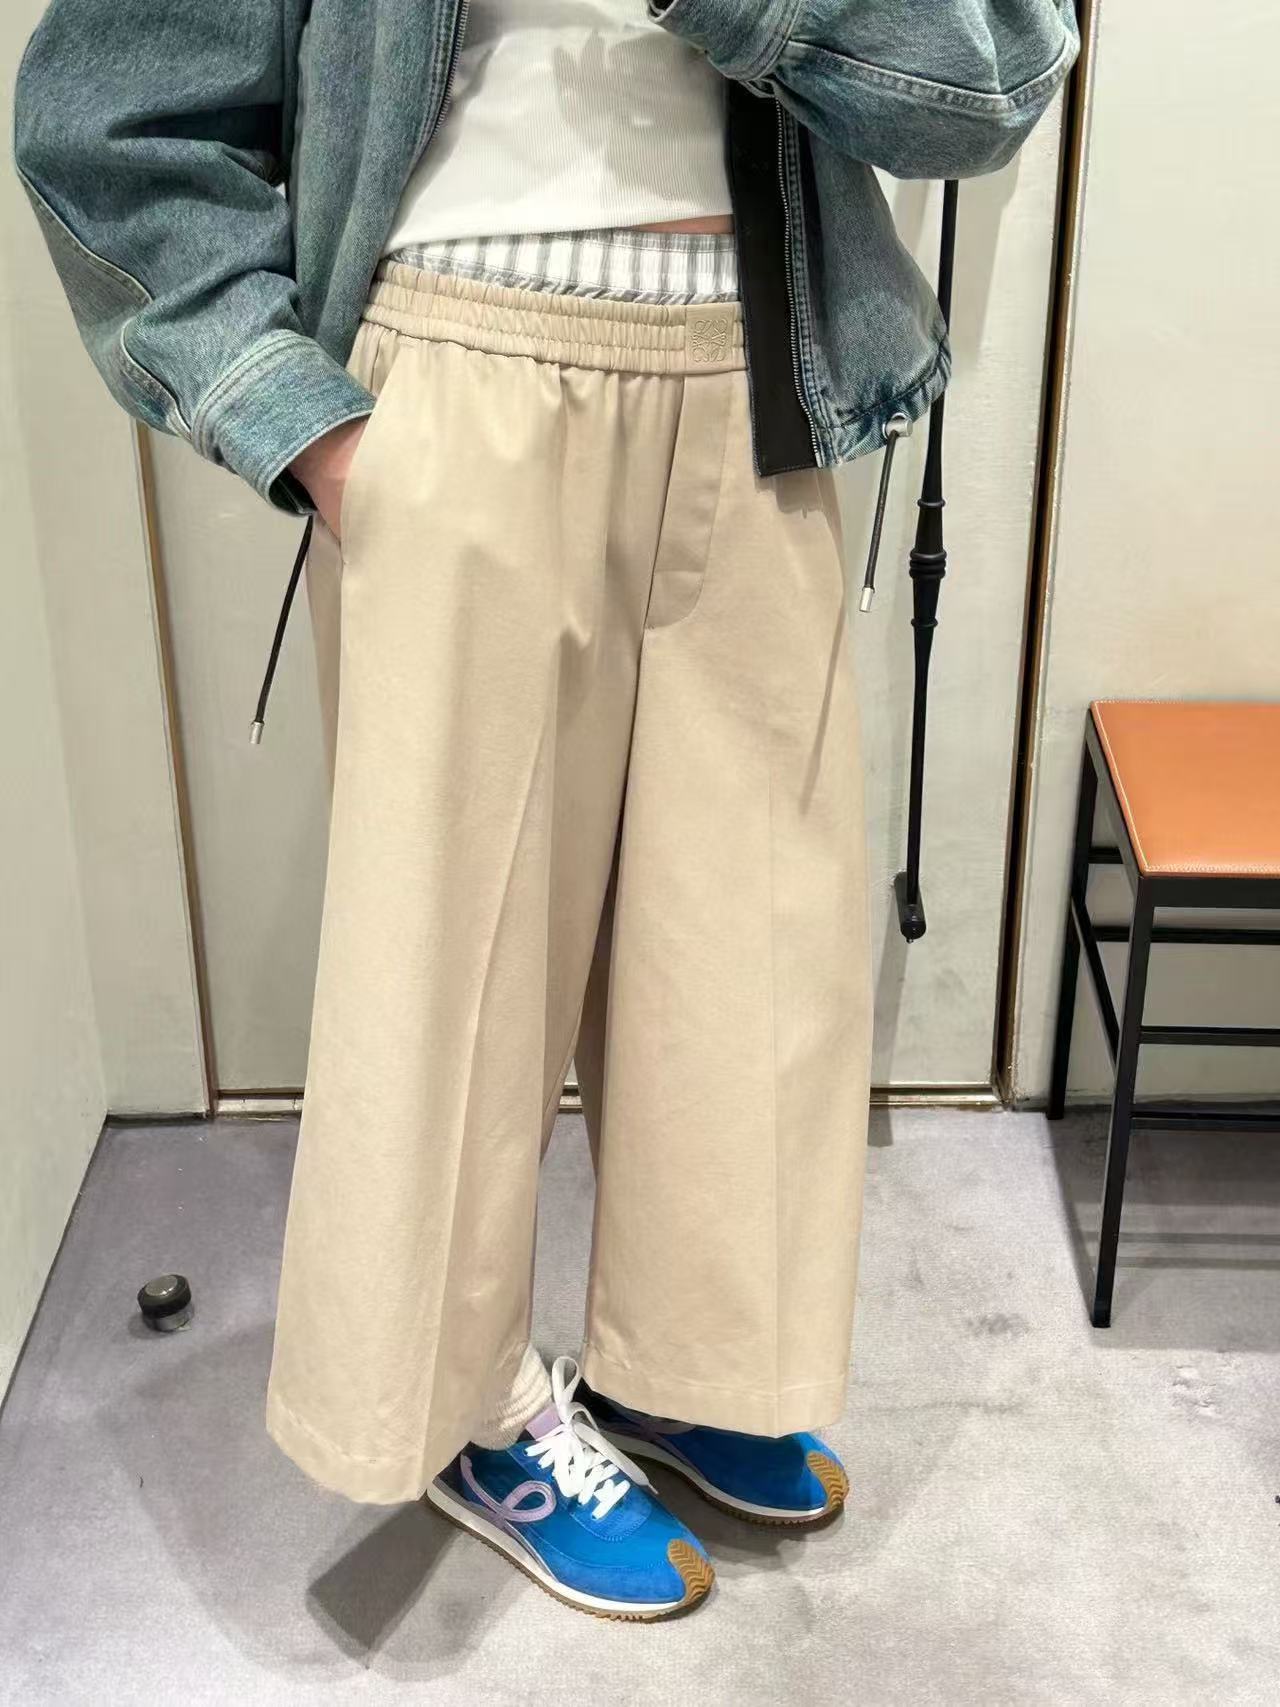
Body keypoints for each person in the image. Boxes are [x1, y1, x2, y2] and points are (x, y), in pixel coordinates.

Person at [15, 0, 1078, 1621]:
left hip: (756, 379)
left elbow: (984, 91)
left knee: (751, 938)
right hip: (461, 375)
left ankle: (689, 1362)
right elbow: (108, 122)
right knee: (457, 961)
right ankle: (475, 1408)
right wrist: (307, 423)